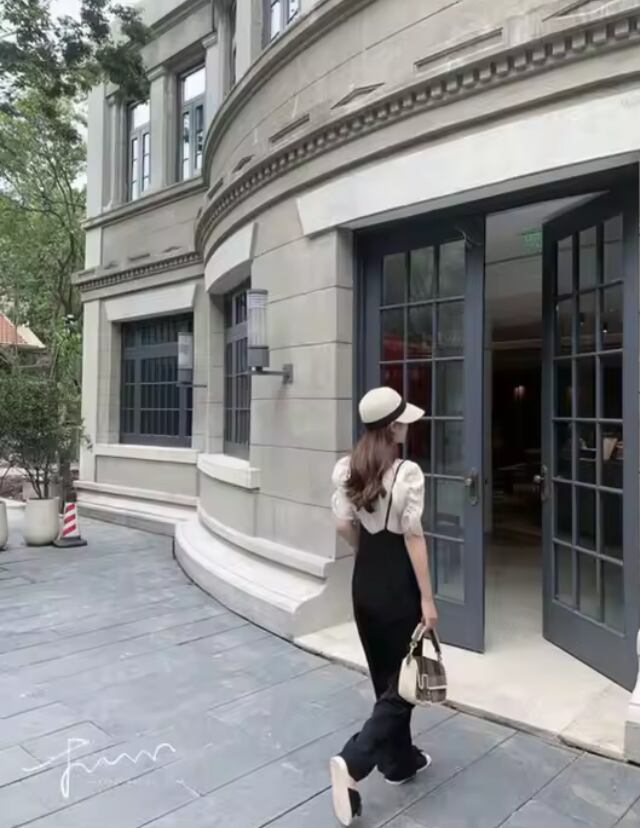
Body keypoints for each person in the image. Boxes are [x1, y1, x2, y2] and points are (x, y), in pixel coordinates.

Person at [329, 386, 438, 826]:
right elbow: (413, 537)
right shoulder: (407, 472)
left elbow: (342, 524)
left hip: (364, 582)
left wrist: (364, 551)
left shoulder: (347, 469)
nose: (408, 425)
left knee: (386, 678)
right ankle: (355, 760)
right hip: (398, 585)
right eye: (403, 420)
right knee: (407, 683)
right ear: (392, 427)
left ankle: (399, 762)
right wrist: (427, 598)